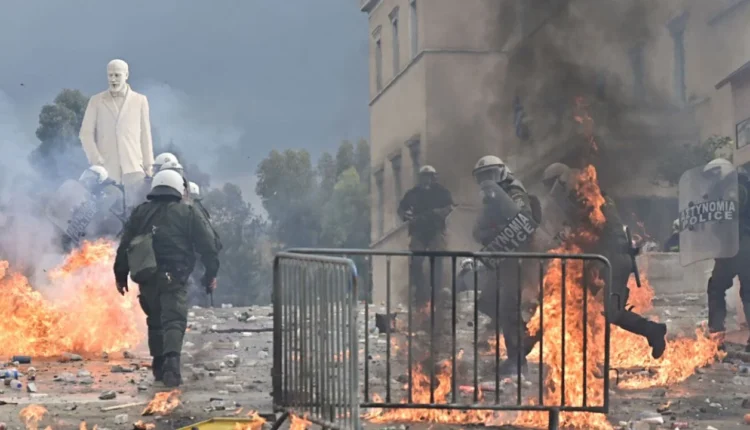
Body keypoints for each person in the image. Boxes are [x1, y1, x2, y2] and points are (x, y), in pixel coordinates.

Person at [542, 162, 667, 359]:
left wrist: (571, 240)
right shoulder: (584, 198)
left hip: (613, 260)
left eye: (551, 184)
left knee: (611, 312)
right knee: (578, 304)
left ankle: (653, 331)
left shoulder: (588, 198)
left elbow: (598, 233)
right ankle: (585, 357)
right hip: (602, 261)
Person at [113, 169, 220, 387]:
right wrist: (210, 274)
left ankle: (159, 365)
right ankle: (172, 365)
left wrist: (120, 274)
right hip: (175, 277)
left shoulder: (140, 212)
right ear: (178, 189)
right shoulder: (188, 213)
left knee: (154, 320)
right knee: (174, 320)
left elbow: (124, 246)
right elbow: (209, 247)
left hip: (147, 277)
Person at [472, 155, 539, 375]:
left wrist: (499, 229)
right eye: (483, 177)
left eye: (490, 175)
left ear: (501, 172)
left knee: (508, 307)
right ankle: (519, 348)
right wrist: (494, 232)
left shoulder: (514, 192)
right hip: (502, 260)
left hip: (520, 259)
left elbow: (523, 221)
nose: (486, 181)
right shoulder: (491, 200)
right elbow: (478, 231)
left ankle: (518, 359)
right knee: (488, 302)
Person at [79, 59, 154, 209]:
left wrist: (149, 165)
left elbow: (145, 135)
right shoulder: (96, 101)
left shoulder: (140, 100)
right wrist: (96, 160)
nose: (113, 79)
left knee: (136, 211)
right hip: (106, 171)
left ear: (126, 75)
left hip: (134, 168)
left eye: (117, 75)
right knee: (109, 215)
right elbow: (85, 133)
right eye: (110, 75)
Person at [704, 160, 750, 350]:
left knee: (718, 288)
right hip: (732, 245)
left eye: (715, 174)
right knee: (742, 290)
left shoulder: (736, 187)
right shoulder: (734, 186)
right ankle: (716, 334)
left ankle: (716, 334)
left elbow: (729, 213)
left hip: (740, 244)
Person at [397, 165, 454, 304]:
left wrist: (436, 213)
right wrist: (406, 215)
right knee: (416, 262)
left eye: (429, 176)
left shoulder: (442, 192)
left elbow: (449, 207)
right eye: (424, 176)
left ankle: (437, 294)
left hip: (435, 230)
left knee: (437, 261)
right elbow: (401, 210)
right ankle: (421, 293)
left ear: (433, 177)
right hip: (418, 231)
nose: (426, 179)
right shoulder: (412, 193)